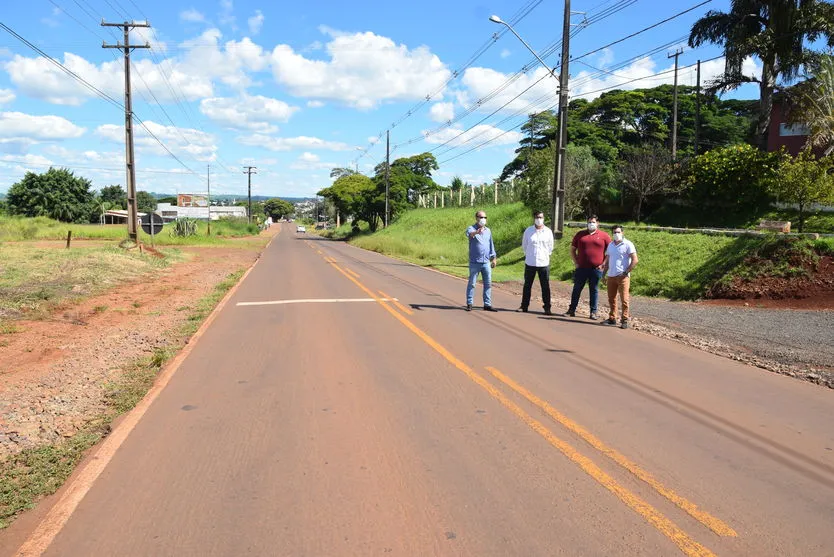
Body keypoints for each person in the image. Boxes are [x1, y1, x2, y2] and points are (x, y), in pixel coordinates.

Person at [565, 215, 611, 320]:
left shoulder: (604, 236)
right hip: (581, 268)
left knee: (594, 290)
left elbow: (610, 252)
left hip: (596, 269)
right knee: (577, 288)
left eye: (593, 222)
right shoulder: (580, 235)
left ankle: (593, 312)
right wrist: (576, 262)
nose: (591, 224)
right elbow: (572, 250)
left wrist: (604, 263)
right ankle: (571, 310)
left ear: (597, 223)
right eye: (589, 222)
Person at [518, 210, 554, 315]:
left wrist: (544, 255)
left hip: (543, 263)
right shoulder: (528, 231)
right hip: (530, 262)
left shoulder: (548, 231)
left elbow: (550, 247)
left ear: (544, 218)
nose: (539, 219)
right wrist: (529, 254)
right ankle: (524, 306)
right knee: (527, 285)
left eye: (541, 217)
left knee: (545, 286)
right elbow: (524, 245)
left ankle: (547, 307)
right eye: (537, 217)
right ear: (534, 218)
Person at [602, 225, 638, 329]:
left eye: (618, 232)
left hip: (623, 276)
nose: (616, 234)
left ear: (622, 233)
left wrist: (626, 271)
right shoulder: (610, 245)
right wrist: (603, 274)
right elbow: (607, 261)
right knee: (611, 298)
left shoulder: (628, 244)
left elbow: (635, 260)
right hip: (611, 276)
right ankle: (612, 318)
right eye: (614, 232)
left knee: (624, 299)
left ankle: (624, 319)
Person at [465, 209, 498, 312]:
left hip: (486, 262)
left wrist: (494, 258)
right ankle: (470, 303)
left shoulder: (488, 231)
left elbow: (490, 244)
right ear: (476, 218)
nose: (483, 219)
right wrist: (477, 232)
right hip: (475, 262)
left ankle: (487, 304)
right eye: (481, 217)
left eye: (485, 217)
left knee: (488, 283)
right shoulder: (471, 228)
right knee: (472, 283)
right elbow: (470, 234)